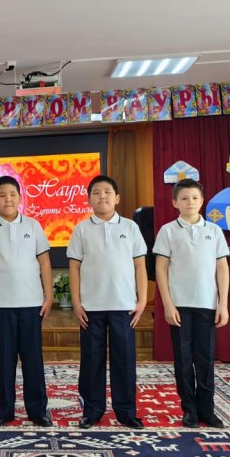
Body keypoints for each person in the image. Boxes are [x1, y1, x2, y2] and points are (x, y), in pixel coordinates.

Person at [67, 175, 148, 429]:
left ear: (117, 198)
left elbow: (140, 266)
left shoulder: (130, 227)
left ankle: (126, 411)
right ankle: (92, 410)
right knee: (92, 359)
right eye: (96, 192)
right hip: (91, 307)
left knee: (124, 359)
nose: (102, 196)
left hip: (124, 305)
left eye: (107, 192)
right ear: (89, 199)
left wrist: (142, 300)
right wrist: (77, 302)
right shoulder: (82, 229)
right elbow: (74, 268)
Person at [0, 176, 53, 428]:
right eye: (2, 195)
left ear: (20, 197)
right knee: (5, 361)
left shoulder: (33, 225)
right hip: (1, 306)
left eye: (12, 194)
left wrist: (49, 295)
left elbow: (44, 263)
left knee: (33, 360)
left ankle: (37, 410)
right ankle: (5, 410)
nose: (7, 199)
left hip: (31, 302)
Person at [153, 179, 230, 429]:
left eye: (195, 198)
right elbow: (161, 269)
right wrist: (167, 304)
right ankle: (189, 410)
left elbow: (222, 267)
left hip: (207, 304)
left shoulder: (214, 231)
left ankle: (207, 409)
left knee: (206, 359)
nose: (190, 202)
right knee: (183, 359)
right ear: (175, 202)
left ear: (202, 201)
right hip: (179, 305)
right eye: (184, 198)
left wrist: (223, 304)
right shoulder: (167, 231)